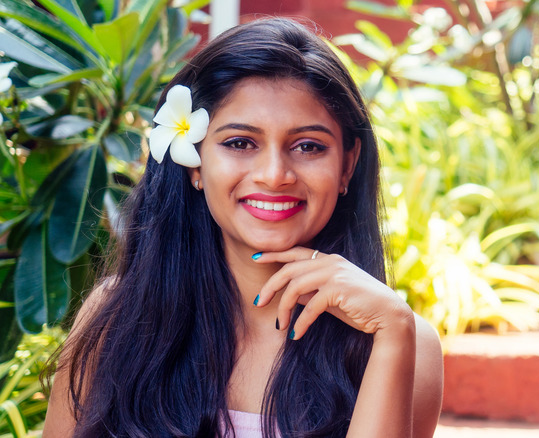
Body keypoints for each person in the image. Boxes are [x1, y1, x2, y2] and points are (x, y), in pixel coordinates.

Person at [42, 17, 443, 437]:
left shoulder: (398, 338)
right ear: (194, 162)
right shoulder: (117, 319)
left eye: (308, 146)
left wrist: (393, 329)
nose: (274, 175)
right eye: (240, 143)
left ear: (347, 164)